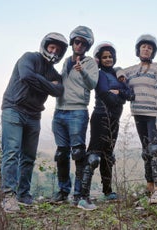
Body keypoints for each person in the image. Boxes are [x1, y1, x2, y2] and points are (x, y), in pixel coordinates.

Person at [1, 32, 68, 213]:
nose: (54, 51)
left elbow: (58, 91)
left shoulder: (55, 72)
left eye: (58, 50)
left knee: (29, 157)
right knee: (12, 152)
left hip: (34, 115)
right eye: (51, 47)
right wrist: (48, 83)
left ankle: (23, 194)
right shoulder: (29, 57)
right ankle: (8, 196)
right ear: (45, 46)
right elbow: (25, 76)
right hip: (14, 108)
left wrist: (43, 82)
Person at [78, 42, 135, 210]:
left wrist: (119, 93)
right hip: (101, 117)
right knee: (94, 156)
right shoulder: (100, 74)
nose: (108, 59)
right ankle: (83, 196)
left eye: (110, 56)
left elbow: (131, 94)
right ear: (100, 60)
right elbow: (104, 94)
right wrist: (119, 95)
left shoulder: (118, 75)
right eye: (104, 57)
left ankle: (108, 191)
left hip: (114, 120)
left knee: (108, 155)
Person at [51, 26, 99, 206]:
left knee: (78, 152)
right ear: (72, 43)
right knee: (61, 153)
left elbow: (93, 84)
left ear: (87, 46)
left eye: (83, 43)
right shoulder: (65, 61)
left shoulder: (90, 63)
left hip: (78, 111)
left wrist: (83, 71)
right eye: (77, 42)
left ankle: (78, 194)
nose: (79, 45)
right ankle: (63, 191)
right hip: (59, 111)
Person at [123, 34, 157, 204]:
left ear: (153, 51)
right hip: (139, 115)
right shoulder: (132, 71)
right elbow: (119, 71)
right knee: (146, 151)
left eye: (149, 48)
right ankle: (149, 186)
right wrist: (121, 76)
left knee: (155, 149)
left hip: (153, 116)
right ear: (138, 50)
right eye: (143, 46)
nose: (146, 49)